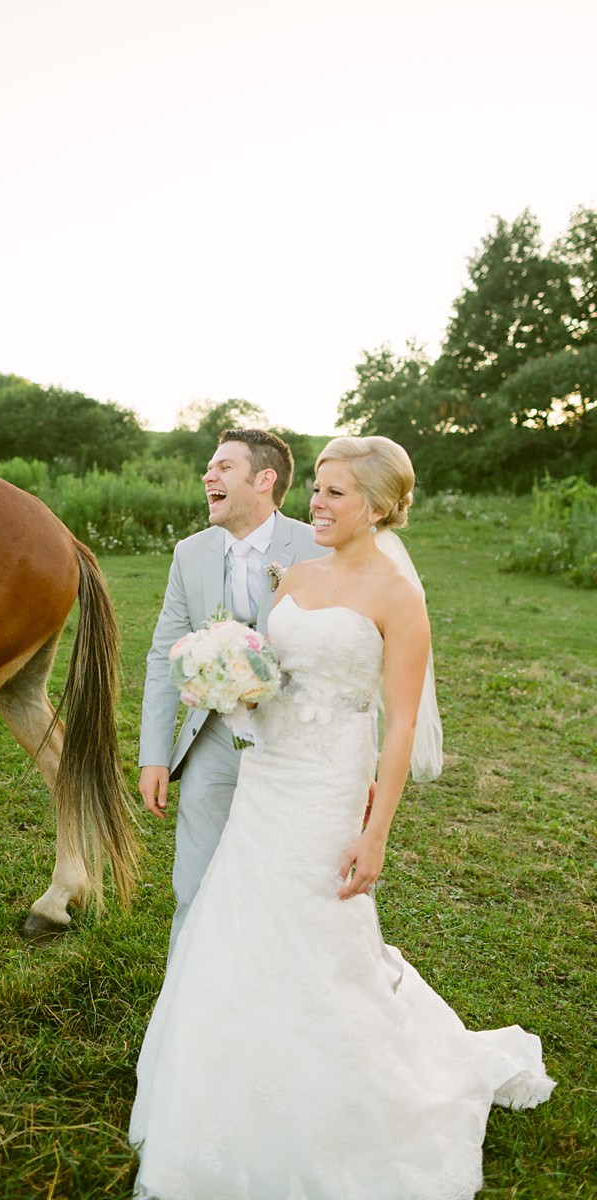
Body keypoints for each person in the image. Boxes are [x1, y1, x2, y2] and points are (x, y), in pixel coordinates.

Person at [130, 435, 554, 1200]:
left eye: (335, 494)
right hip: (266, 777)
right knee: (236, 926)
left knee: (320, 937)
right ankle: (225, 1085)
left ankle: (349, 1094)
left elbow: (396, 724)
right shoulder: (295, 574)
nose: (317, 505)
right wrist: (230, 674)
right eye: (317, 490)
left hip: (328, 788)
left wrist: (376, 827)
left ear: (381, 507)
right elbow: (275, 670)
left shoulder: (398, 596)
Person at [139, 428, 328, 955]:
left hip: (296, 736)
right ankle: (189, 1000)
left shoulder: (316, 545)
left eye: (223, 467)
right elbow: (162, 654)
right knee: (193, 882)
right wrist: (153, 756)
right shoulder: (190, 553)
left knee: (295, 877)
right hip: (214, 733)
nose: (208, 475)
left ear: (264, 480)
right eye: (209, 467)